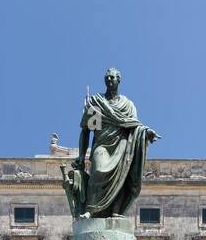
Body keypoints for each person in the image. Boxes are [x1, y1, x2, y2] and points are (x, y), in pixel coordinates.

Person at [68, 68, 160, 219]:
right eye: (107, 78)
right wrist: (81, 156)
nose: (109, 80)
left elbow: (135, 126)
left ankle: (115, 211)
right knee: (97, 171)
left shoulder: (127, 105)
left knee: (121, 178)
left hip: (122, 145)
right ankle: (91, 210)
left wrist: (146, 132)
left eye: (112, 78)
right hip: (102, 144)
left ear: (119, 79)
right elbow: (86, 131)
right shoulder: (98, 103)